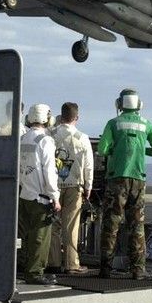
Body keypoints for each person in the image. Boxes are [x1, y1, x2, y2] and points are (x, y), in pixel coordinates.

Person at [97, 88, 152, 280]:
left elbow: (102, 150)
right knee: (136, 226)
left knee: (111, 224)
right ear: (139, 105)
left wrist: (116, 150)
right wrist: (141, 151)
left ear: (119, 104)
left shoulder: (113, 123)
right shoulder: (147, 124)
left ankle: (105, 269)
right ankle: (138, 270)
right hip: (138, 180)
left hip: (117, 179)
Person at [48, 102, 94, 274]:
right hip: (74, 185)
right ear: (77, 117)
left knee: (53, 224)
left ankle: (53, 262)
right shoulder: (82, 137)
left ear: (61, 116)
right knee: (71, 226)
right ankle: (71, 264)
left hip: (53, 185)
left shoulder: (50, 135)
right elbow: (88, 165)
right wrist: (88, 185)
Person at [18, 103, 61, 285]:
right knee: (40, 238)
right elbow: (49, 172)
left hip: (24, 195)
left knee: (26, 236)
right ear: (47, 119)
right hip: (40, 198)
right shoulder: (45, 141)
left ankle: (25, 269)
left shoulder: (22, 138)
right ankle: (35, 273)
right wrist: (55, 197)